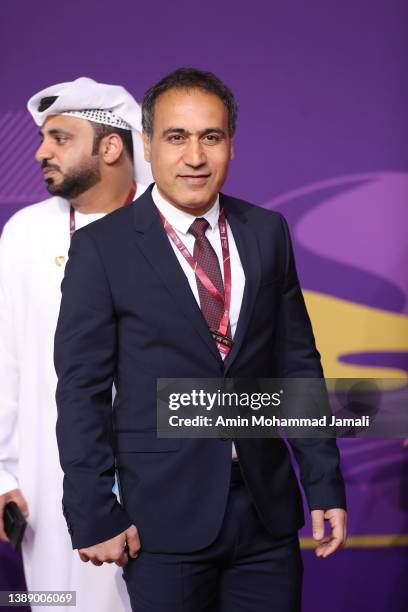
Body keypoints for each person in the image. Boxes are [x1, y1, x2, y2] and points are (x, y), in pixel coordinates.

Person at [54, 68, 347, 612]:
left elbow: (296, 365)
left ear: (231, 145)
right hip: (161, 521)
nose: (195, 156)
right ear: (147, 145)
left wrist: (324, 482)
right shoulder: (103, 249)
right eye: (176, 137)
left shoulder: (267, 232)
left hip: (266, 515)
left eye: (210, 137)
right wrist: (94, 512)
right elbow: (80, 392)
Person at [0, 76, 152, 612]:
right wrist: (2, 474)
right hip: (50, 483)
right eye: (44, 138)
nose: (41, 151)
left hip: (160, 480)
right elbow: (5, 361)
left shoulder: (168, 226)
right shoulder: (24, 233)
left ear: (111, 146)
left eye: (60, 138)